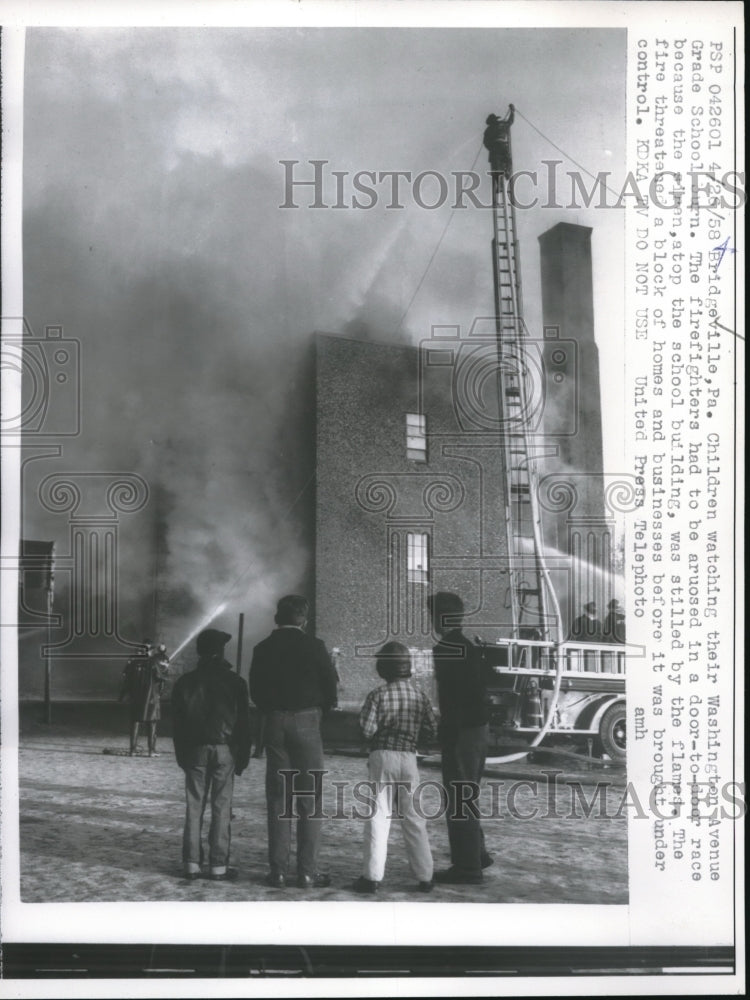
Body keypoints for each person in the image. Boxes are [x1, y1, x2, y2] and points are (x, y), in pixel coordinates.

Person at [249, 595, 338, 889]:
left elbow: (256, 689)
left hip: (274, 722)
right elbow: (330, 685)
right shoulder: (315, 646)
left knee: (278, 799)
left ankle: (277, 871)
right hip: (307, 721)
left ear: (278, 617)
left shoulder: (262, 648)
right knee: (309, 799)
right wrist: (319, 710)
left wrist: (271, 711)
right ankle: (307, 872)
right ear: (304, 618)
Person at [351, 641, 438, 895]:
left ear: (383, 669)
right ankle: (425, 876)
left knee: (379, 816)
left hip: (382, 757)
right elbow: (431, 730)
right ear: (407, 668)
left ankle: (372, 877)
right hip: (409, 758)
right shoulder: (420, 696)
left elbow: (367, 731)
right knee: (414, 818)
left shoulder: (377, 695)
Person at [171, 629, 251, 881]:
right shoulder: (236, 682)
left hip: (194, 749)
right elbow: (244, 725)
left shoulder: (185, 682)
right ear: (221, 651)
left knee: (194, 807)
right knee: (221, 807)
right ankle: (218, 865)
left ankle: (191, 863)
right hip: (225, 749)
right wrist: (242, 757)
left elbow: (177, 725)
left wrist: (182, 756)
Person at [428, 592, 493, 885]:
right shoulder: (471, 647)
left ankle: (467, 868)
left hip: (460, 733)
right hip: (479, 731)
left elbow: (449, 699)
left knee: (458, 797)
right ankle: (477, 854)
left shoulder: (444, 648)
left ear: (440, 619)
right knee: (469, 793)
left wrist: (443, 733)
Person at [119, 639, 168, 756]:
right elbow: (161, 678)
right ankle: (152, 751)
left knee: (135, 722)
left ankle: (133, 750)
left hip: (136, 698)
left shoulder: (134, 663)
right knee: (152, 723)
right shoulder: (154, 663)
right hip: (151, 698)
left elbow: (126, 679)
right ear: (151, 651)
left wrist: (125, 695)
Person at [483, 104, 515, 176]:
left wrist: (491, 148)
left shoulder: (488, 129)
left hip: (494, 149)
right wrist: (512, 112)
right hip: (503, 146)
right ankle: (507, 171)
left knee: (496, 169)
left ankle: (504, 172)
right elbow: (510, 121)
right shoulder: (502, 125)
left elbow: (485, 142)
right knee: (507, 160)